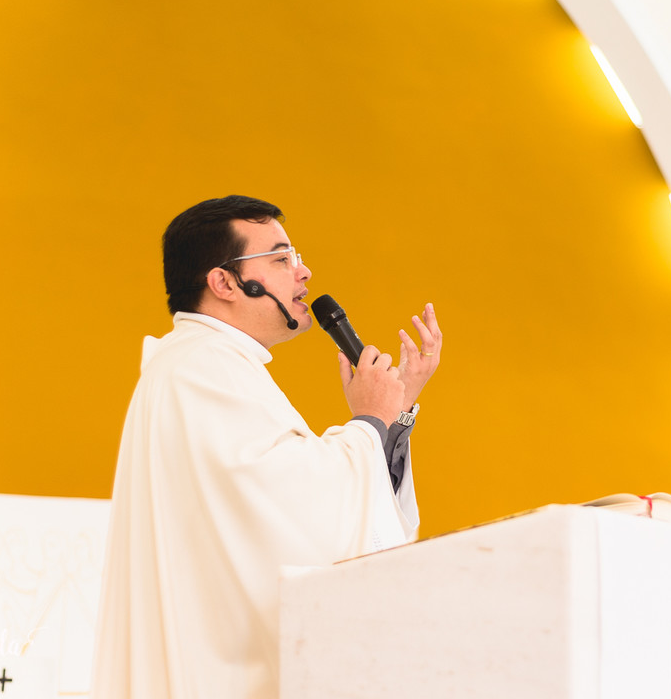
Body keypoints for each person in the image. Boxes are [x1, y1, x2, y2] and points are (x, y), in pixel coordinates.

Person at [90, 196, 442, 699]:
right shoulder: (201, 369)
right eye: (281, 258)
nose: (304, 272)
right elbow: (298, 520)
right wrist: (369, 421)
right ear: (224, 283)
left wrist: (392, 412)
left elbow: (283, 500)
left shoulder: (209, 364)